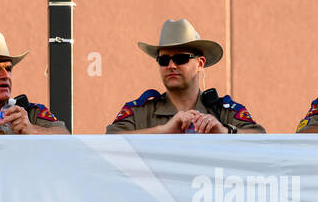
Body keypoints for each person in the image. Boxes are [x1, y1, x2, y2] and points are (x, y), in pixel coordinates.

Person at [105, 19, 264, 134]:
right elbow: (108, 142)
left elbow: (261, 139)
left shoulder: (224, 111)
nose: (171, 66)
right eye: (164, 60)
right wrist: (163, 131)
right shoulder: (139, 112)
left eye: (181, 59)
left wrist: (224, 132)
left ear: (200, 63)